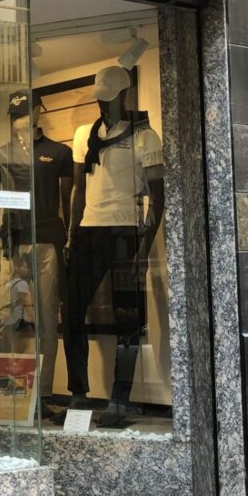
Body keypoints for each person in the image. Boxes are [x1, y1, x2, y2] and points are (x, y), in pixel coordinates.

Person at [59, 66, 164, 428]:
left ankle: (120, 400)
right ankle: (78, 394)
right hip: (88, 230)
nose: (103, 106)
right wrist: (72, 234)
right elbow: (78, 188)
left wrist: (143, 249)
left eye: (109, 98)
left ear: (124, 96)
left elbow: (158, 197)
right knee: (72, 311)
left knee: (127, 317)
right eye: (100, 99)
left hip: (124, 231)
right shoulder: (84, 135)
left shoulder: (145, 137)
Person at [0, 91, 72, 409]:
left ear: (37, 112)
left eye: (25, 112)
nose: (19, 119)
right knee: (6, 318)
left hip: (47, 243)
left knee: (47, 319)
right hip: (12, 244)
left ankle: (43, 393)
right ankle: (2, 391)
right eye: (15, 114)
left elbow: (67, 201)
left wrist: (69, 239)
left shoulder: (59, 153)